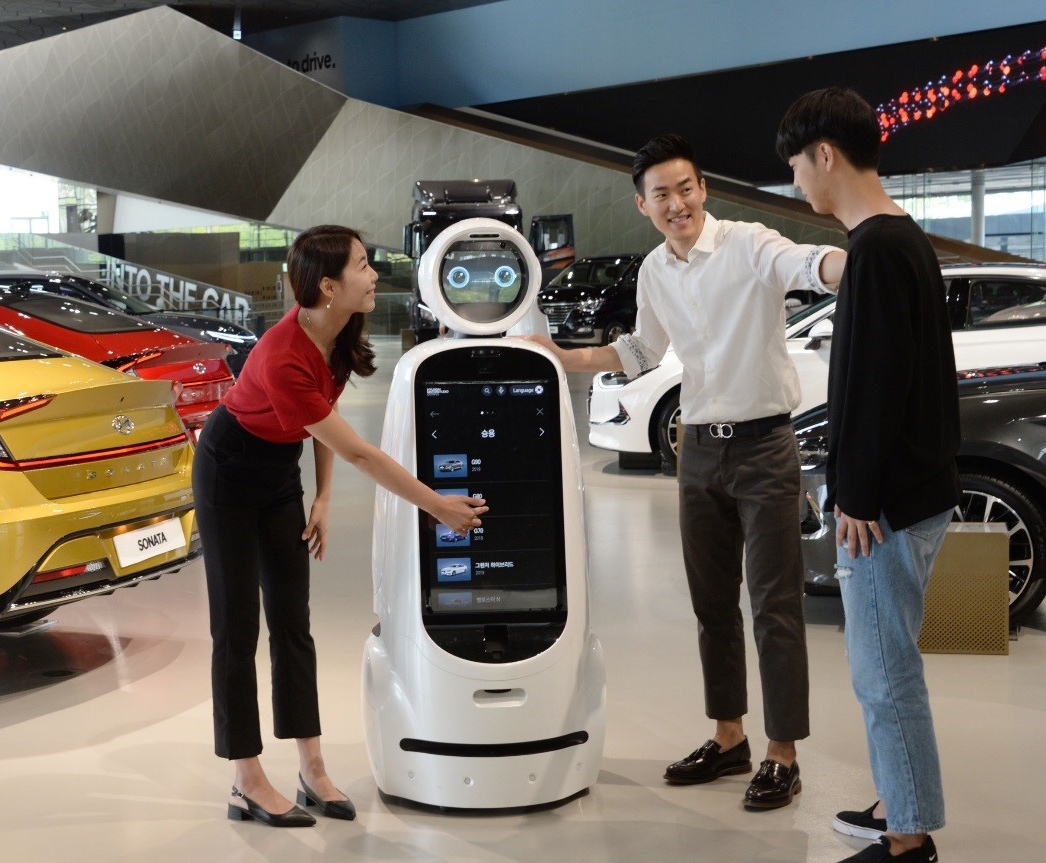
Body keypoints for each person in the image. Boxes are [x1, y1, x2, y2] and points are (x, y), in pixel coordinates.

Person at [527, 134, 844, 810]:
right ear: (642, 205)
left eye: (686, 188)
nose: (677, 204)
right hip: (696, 448)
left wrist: (854, 260)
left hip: (764, 447)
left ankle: (781, 752)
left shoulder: (748, 243)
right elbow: (641, 349)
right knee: (710, 604)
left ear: (703, 189)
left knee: (775, 608)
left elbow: (810, 263)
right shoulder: (653, 271)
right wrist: (556, 355)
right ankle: (728, 737)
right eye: (661, 194)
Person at [193, 225, 488, 828]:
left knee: (292, 622)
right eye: (362, 264)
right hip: (228, 471)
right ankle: (246, 779)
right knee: (237, 624)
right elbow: (359, 452)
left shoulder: (338, 331)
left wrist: (323, 498)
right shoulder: (281, 356)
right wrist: (434, 503)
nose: (374, 273)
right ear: (328, 286)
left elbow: (321, 425)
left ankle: (311, 767)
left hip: (278, 471)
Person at [776, 88, 960, 863]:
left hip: (882, 507)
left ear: (825, 153)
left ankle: (908, 839)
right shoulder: (900, 238)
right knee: (889, 661)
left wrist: (854, 493)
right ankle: (896, 802)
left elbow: (876, 384)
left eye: (794, 165)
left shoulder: (878, 249)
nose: (794, 185)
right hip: (913, 494)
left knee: (884, 676)